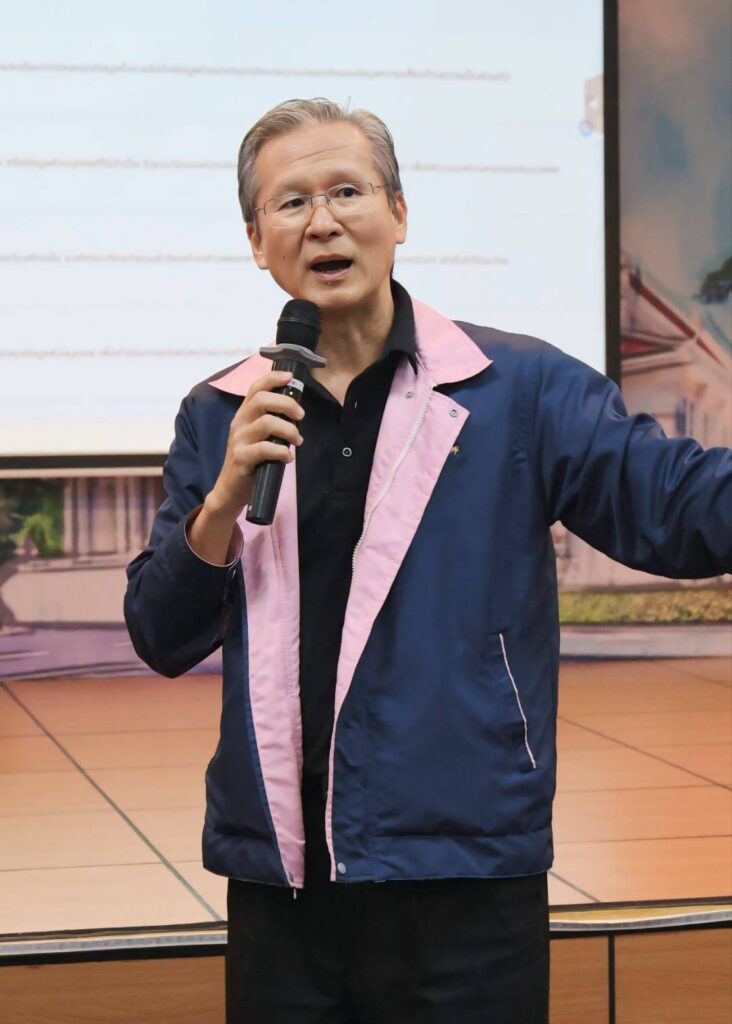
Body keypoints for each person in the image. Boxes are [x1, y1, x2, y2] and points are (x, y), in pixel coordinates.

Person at [124, 98, 732, 1023]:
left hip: (464, 870)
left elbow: (678, 509)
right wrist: (222, 502)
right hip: (285, 882)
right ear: (256, 241)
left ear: (399, 213)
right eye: (291, 203)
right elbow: (159, 632)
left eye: (347, 191)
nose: (323, 221)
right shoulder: (221, 413)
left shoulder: (517, 389)